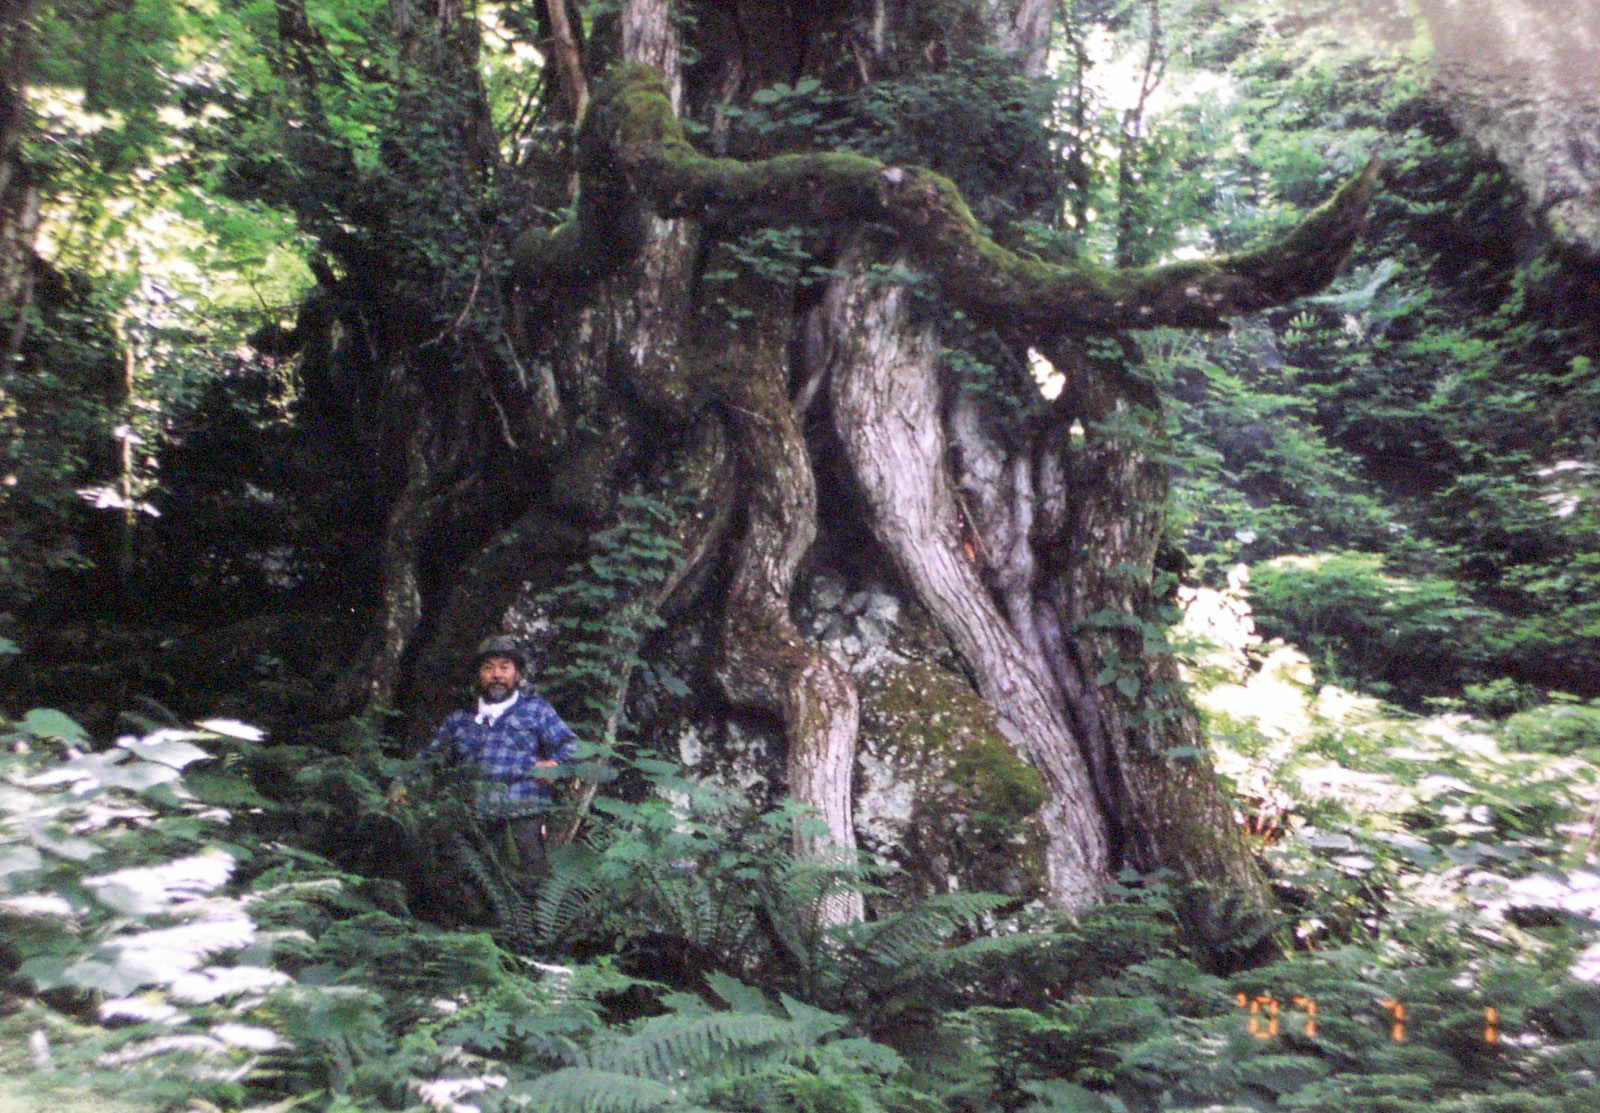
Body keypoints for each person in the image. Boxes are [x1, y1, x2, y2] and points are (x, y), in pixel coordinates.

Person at [414, 634, 578, 865]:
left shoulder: (536, 710)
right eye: (488, 668)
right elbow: (429, 760)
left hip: (522, 819)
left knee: (524, 889)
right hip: (469, 823)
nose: (497, 675)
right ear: (479, 675)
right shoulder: (460, 720)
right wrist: (403, 782)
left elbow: (572, 746)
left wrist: (555, 765)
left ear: (517, 674)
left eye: (505, 667)